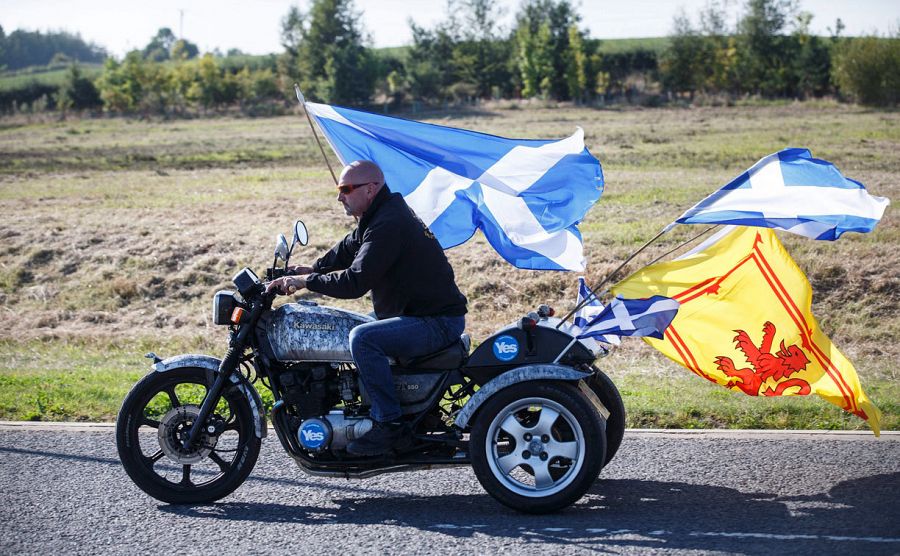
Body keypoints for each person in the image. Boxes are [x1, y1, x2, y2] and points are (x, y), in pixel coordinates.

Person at [266, 160, 467, 456]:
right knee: (348, 326)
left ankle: (390, 425)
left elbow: (354, 282)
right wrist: (313, 268)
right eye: (339, 190)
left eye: (346, 189)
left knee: (363, 338)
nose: (339, 197)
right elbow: (349, 248)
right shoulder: (381, 215)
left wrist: (307, 281)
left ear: (371, 189)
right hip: (418, 315)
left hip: (435, 322)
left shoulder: (388, 224)